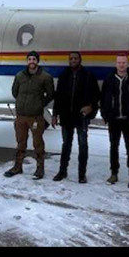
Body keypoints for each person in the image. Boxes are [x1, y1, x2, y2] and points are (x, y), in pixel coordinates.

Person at [51, 52, 100, 183]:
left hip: (81, 117)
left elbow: (96, 96)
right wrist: (55, 114)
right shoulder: (63, 75)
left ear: (80, 60)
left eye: (75, 58)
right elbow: (58, 97)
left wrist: (91, 107)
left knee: (83, 145)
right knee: (66, 144)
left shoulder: (88, 76)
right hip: (66, 116)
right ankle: (62, 171)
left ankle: (82, 174)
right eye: (71, 59)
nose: (73, 60)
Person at [5, 51, 55, 180]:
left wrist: (39, 104)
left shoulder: (45, 77)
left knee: (38, 143)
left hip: (36, 117)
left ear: (37, 61)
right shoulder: (20, 76)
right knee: (20, 142)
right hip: (21, 116)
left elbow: (50, 94)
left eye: (34, 59)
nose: (32, 61)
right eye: (30, 59)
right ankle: (17, 166)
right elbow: (15, 92)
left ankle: (40, 168)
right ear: (27, 61)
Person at [101, 54, 129, 188]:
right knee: (113, 147)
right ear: (116, 64)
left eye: (124, 62)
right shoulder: (109, 79)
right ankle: (114, 173)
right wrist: (105, 114)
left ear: (127, 64)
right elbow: (103, 99)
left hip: (128, 120)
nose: (121, 65)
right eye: (119, 62)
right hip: (114, 120)